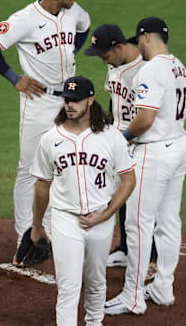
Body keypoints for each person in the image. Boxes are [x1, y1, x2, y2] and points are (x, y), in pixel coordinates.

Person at [0, 0, 90, 263]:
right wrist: (15, 78)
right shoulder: (25, 19)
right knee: (30, 170)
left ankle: (50, 231)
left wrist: (71, 51)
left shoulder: (74, 11)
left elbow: (83, 27)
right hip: (38, 102)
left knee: (63, 165)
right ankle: (25, 235)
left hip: (69, 101)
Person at [30, 76, 136, 326]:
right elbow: (42, 184)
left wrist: (107, 214)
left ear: (90, 100)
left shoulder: (111, 137)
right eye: (67, 99)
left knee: (97, 281)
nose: (70, 105)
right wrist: (37, 226)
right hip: (66, 219)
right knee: (69, 287)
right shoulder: (50, 139)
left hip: (101, 218)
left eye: (76, 100)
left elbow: (128, 179)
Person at [104, 17, 186, 315]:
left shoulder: (151, 70)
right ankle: (163, 288)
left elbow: (145, 119)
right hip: (178, 146)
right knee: (168, 222)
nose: (138, 44)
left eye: (139, 39)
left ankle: (133, 297)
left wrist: (121, 139)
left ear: (147, 37)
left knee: (138, 225)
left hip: (153, 153)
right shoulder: (179, 66)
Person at [83, 24, 158, 282]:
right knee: (122, 196)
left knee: (141, 204)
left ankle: (151, 260)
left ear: (119, 47)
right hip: (118, 139)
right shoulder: (113, 65)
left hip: (140, 142)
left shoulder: (145, 69)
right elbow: (116, 103)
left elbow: (148, 114)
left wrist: (126, 138)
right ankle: (126, 250)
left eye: (105, 54)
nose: (103, 60)